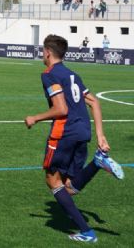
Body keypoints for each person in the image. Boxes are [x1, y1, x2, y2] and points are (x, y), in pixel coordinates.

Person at [24, 34, 123, 243]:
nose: (43, 55)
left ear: (48, 52)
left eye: (43, 51)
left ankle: (87, 231)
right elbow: (95, 103)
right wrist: (100, 136)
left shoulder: (49, 74)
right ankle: (97, 163)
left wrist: (35, 117)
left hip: (64, 132)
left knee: (52, 180)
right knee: (68, 187)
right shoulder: (72, 74)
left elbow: (61, 108)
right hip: (83, 131)